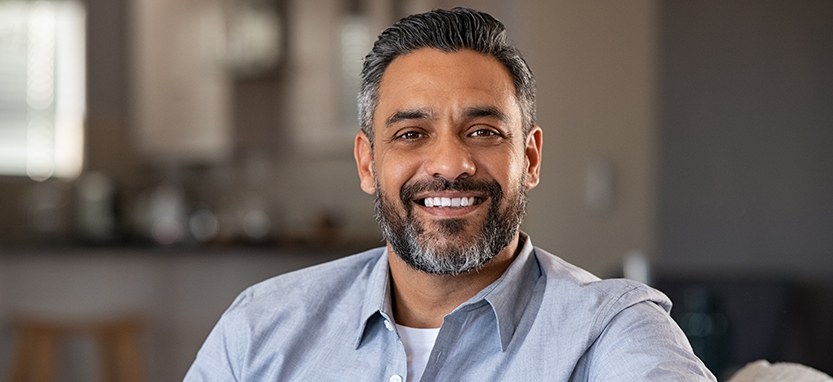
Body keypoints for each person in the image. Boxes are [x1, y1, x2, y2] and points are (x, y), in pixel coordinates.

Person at [185, 7, 715, 381]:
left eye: (483, 131)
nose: (450, 164)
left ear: (529, 158)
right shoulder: (261, 326)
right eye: (411, 134)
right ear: (368, 163)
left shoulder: (611, 330)